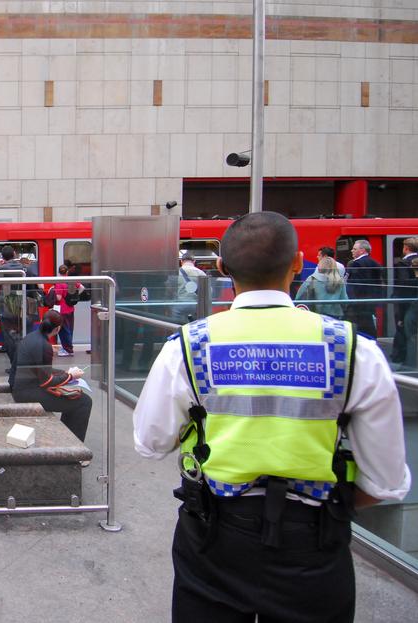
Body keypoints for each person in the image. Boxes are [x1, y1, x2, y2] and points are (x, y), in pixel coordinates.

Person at [133, 211, 410, 623]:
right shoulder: (353, 350)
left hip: (213, 533)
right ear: (298, 262)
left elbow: (150, 442)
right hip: (314, 539)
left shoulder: (189, 346)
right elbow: (386, 484)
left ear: (223, 269)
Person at [11, 309, 91, 442]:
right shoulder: (44, 345)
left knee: (76, 399)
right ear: (58, 329)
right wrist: (70, 376)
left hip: (21, 388)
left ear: (42, 321)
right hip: (29, 393)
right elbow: (46, 382)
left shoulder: (31, 337)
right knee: (84, 402)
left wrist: (65, 373)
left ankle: (68, 441)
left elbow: (39, 371)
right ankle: (74, 448)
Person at [346, 239, 383, 337]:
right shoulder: (375, 263)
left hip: (358, 303)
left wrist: (352, 301)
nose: (351, 251)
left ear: (362, 250)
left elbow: (355, 286)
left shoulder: (356, 264)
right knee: (368, 325)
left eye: (354, 249)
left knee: (357, 328)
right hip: (371, 301)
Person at [390, 237, 418, 363]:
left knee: (406, 331)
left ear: (406, 248)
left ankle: (407, 362)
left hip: (407, 303)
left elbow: (402, 286)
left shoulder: (402, 263)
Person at [54, 264, 82, 357]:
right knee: (70, 329)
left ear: (59, 272)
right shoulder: (72, 281)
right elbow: (82, 287)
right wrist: (76, 295)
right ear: (67, 272)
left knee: (63, 330)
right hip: (70, 309)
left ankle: (68, 349)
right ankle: (67, 347)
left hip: (62, 310)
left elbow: (58, 297)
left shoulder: (59, 282)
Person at [176, 251, 206, 322]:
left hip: (180, 305)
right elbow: (208, 291)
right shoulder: (201, 273)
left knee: (176, 324)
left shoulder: (176, 273)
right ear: (194, 261)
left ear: (181, 261)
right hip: (196, 306)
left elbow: (169, 290)